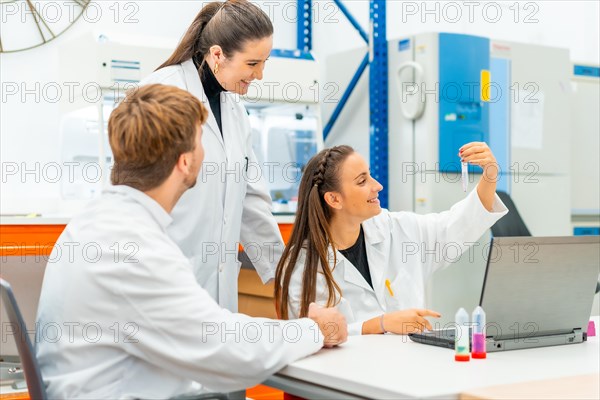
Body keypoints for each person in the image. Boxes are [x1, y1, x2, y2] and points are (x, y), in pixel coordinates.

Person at [35, 84, 347, 399]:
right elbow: (226, 350)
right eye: (202, 140)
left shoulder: (96, 223)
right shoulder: (133, 247)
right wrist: (314, 329)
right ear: (185, 162)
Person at [274, 144, 508, 336]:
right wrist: (381, 324)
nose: (378, 186)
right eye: (362, 181)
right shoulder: (302, 265)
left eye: (371, 176)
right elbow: (310, 336)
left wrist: (489, 177)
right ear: (334, 199)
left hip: (407, 374)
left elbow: (456, 225)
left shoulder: (397, 230)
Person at [140, 0, 280, 312]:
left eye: (264, 62)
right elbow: (138, 199)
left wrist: (284, 278)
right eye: (252, 63)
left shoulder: (235, 110)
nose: (260, 75)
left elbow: (251, 201)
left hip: (218, 292)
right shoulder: (161, 93)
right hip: (165, 286)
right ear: (217, 55)